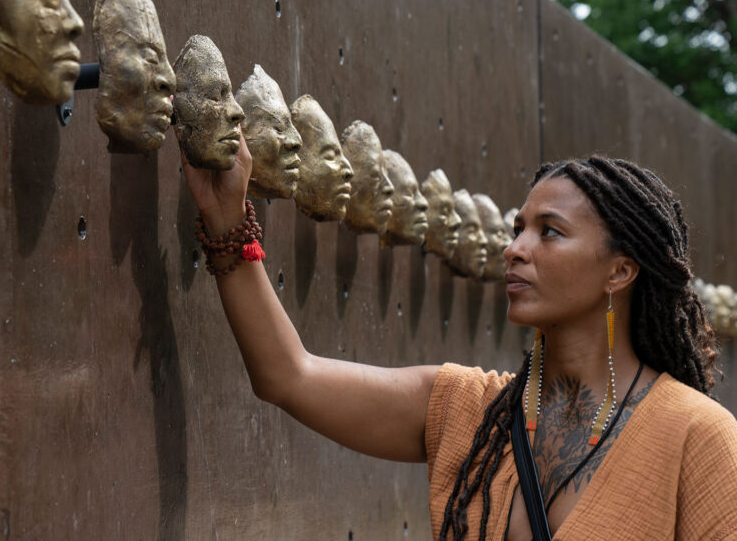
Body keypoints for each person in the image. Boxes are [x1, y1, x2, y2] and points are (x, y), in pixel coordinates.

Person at [180, 129, 737, 540]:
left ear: (619, 270)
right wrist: (228, 222)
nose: (515, 248)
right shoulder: (472, 413)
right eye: (518, 227)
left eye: (551, 233)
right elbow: (288, 376)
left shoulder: (697, 436)